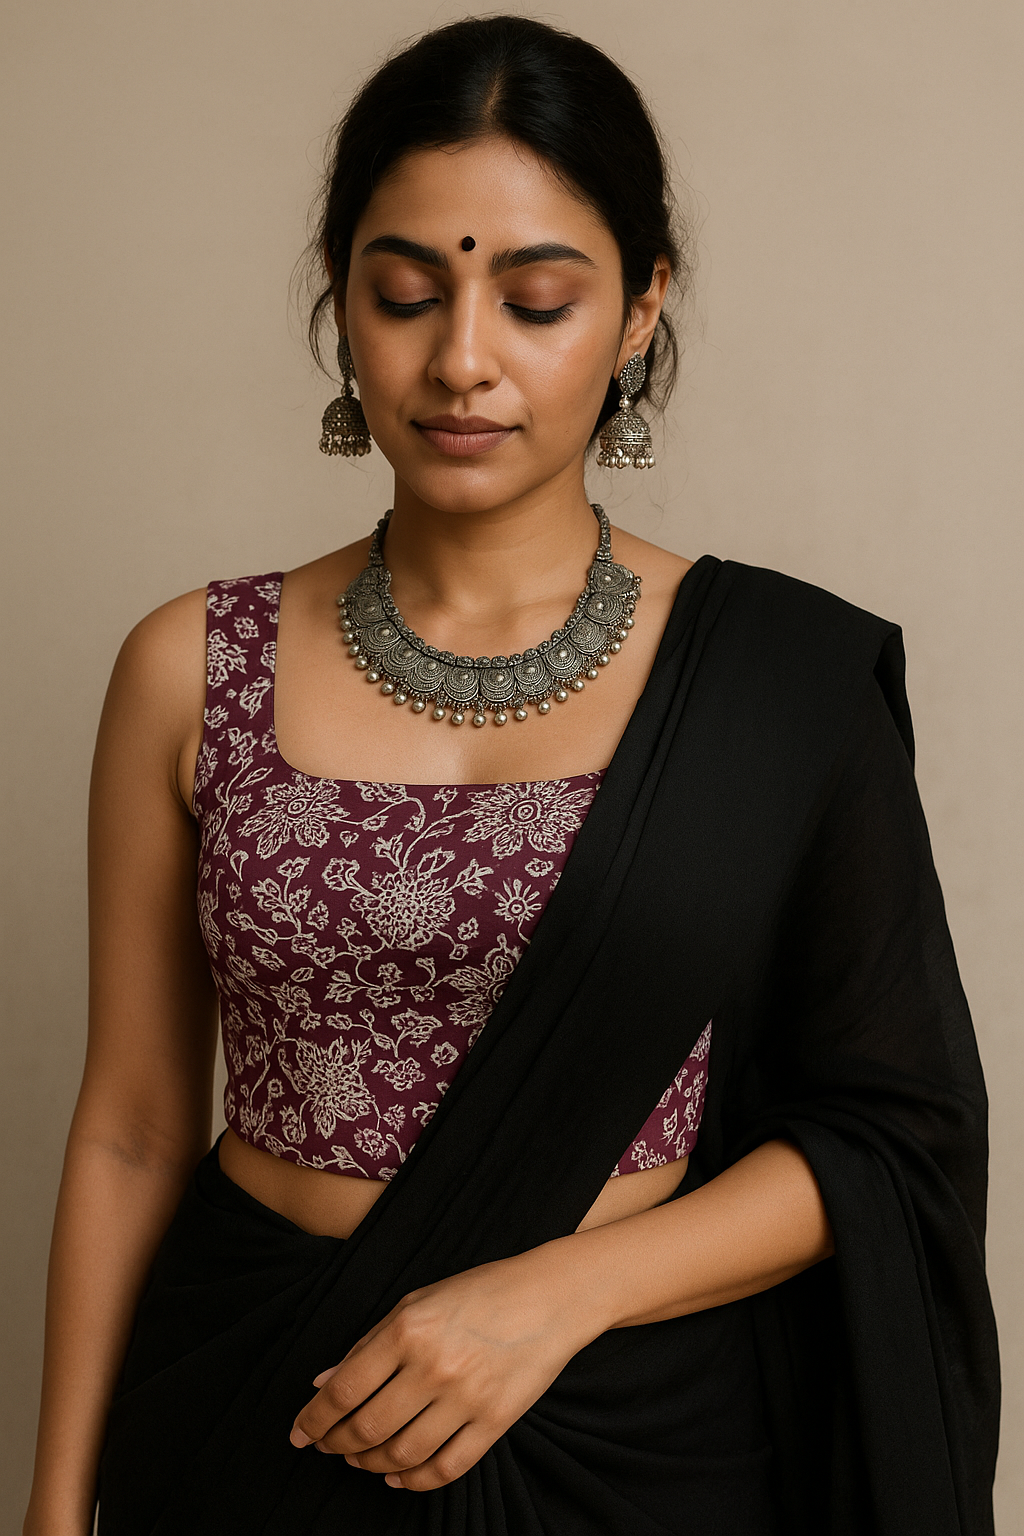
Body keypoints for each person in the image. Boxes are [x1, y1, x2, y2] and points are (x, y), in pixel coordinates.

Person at [24, 16, 998, 1536]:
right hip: (250, 1410)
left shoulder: (773, 683)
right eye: (406, 294)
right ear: (341, 300)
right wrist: (52, 1505)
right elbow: (135, 1126)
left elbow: (890, 1136)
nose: (462, 360)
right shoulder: (190, 668)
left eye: (537, 301)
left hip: (642, 1439)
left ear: (640, 309)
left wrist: (549, 1298)